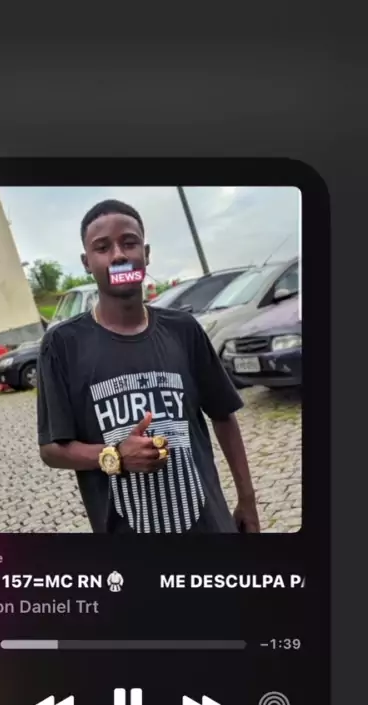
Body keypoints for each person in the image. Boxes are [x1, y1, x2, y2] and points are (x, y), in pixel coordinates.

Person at [37, 199, 260, 535]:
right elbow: (52, 450)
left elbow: (223, 415)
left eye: (129, 242)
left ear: (146, 253)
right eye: (102, 248)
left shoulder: (183, 330)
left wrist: (247, 500)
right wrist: (115, 456)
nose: (118, 256)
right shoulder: (62, 345)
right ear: (86, 262)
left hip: (208, 526)